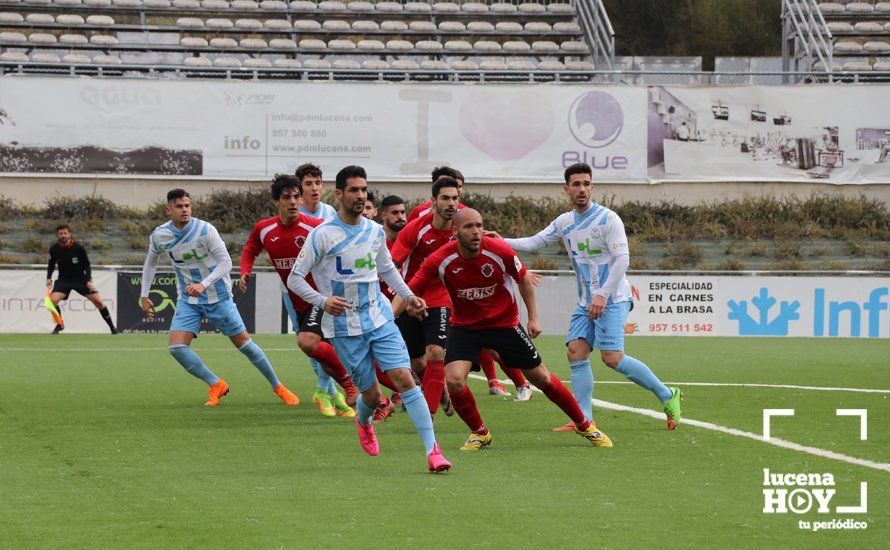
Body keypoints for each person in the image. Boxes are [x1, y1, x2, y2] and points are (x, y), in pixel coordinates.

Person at [288, 165, 451, 473]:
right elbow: (296, 278)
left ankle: (433, 451)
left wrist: (409, 294)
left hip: (379, 317)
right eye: (353, 190)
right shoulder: (322, 235)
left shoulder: (374, 230)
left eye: (363, 190)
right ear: (338, 194)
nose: (360, 196)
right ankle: (363, 421)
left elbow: (387, 269)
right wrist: (322, 301)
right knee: (373, 395)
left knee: (404, 378)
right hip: (344, 328)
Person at [409, 208, 612, 451]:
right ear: (455, 231)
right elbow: (411, 290)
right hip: (465, 327)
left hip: (503, 324)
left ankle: (584, 424)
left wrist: (533, 318)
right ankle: (479, 433)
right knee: (453, 381)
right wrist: (407, 304)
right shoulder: (440, 259)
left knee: (541, 378)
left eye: (479, 225)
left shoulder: (499, 250)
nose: (476, 232)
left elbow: (524, 279)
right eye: (469, 227)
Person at [498, 163, 682, 431]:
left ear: (592, 187)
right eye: (576, 184)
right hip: (587, 302)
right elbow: (534, 242)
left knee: (612, 358)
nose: (581, 189)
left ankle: (667, 394)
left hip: (613, 298)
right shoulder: (565, 222)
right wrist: (498, 240)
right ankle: (584, 419)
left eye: (586, 184)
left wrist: (603, 296)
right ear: (566, 189)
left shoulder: (608, 219)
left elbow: (622, 260)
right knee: (576, 352)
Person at [140, 189, 299, 407]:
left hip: (218, 296)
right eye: (179, 206)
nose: (184, 209)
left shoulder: (205, 230)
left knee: (245, 345)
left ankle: (278, 386)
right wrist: (144, 295)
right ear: (169, 210)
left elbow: (226, 263)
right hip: (189, 300)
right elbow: (151, 263)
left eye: (187, 205)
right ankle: (216, 384)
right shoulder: (160, 235)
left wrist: (203, 284)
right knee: (177, 348)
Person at [239, 174, 358, 418]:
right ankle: (361, 391)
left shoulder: (314, 227)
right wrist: (245, 271)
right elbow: (250, 248)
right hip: (297, 300)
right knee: (322, 348)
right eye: (286, 198)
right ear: (276, 201)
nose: (293, 202)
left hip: (321, 297)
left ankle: (347, 387)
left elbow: (341, 248)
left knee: (308, 342)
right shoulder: (264, 229)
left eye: (296, 196)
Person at [292, 163, 362, 412]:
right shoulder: (291, 212)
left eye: (317, 183)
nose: (314, 188)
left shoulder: (332, 214)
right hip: (296, 292)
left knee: (319, 343)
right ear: (299, 189)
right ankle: (334, 390)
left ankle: (327, 391)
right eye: (308, 183)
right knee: (312, 346)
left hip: (326, 293)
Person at [45, 224, 118, 334]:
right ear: (57, 235)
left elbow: (87, 265)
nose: (63, 235)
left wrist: (89, 280)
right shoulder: (54, 249)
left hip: (80, 280)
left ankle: (113, 328)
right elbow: (51, 264)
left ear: (69, 234)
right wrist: (49, 277)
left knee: (99, 302)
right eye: (61, 234)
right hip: (64, 280)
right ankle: (60, 324)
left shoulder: (78, 248)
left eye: (65, 233)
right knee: (51, 302)